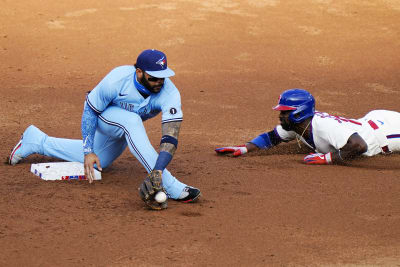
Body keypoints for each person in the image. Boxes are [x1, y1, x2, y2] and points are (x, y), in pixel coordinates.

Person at [8, 49, 201, 210]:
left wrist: (157, 169)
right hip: (101, 116)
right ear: (139, 72)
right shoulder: (116, 80)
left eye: (163, 77)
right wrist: (87, 151)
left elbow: (170, 137)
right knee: (132, 122)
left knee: (102, 160)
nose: (160, 81)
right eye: (154, 77)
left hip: (122, 124)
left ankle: (37, 141)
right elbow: (90, 112)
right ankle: (172, 186)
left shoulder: (169, 93)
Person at [215, 88, 400, 164]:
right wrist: (245, 148)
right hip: (373, 119)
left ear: (298, 112)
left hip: (386, 133)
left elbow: (359, 146)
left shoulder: (323, 126)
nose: (281, 115)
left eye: (284, 112)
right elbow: (272, 137)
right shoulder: (298, 126)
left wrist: (325, 158)